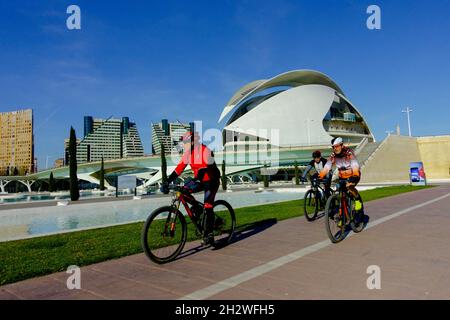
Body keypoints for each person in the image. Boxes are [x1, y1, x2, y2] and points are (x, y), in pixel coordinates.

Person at [161, 131, 221, 245]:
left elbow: (204, 168)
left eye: (186, 142)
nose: (184, 144)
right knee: (183, 191)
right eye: (184, 142)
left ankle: (209, 234)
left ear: (194, 141)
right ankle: (199, 209)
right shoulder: (188, 153)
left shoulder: (205, 150)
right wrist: (167, 181)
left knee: (208, 205)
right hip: (200, 179)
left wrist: (196, 179)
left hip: (211, 181)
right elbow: (178, 170)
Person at [319, 137, 363, 212]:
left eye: (336, 146)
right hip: (342, 176)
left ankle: (357, 200)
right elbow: (327, 166)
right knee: (341, 193)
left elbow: (355, 164)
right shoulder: (333, 155)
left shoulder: (349, 152)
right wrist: (320, 176)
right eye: (333, 147)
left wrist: (355, 175)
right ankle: (342, 217)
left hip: (353, 175)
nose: (335, 149)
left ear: (342, 145)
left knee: (349, 187)